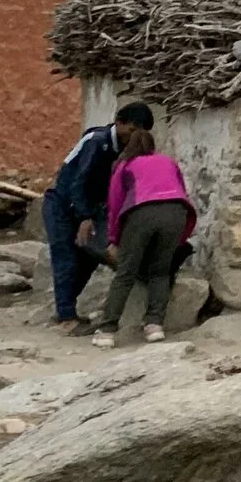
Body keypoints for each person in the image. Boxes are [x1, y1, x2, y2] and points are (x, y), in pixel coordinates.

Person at [43, 101, 153, 333]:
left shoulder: (122, 150)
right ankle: (66, 317)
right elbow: (77, 182)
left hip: (90, 208)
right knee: (66, 255)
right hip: (62, 205)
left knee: (90, 256)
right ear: (119, 122)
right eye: (131, 131)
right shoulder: (97, 142)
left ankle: (66, 307)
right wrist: (84, 217)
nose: (132, 137)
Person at [98, 118, 196, 343]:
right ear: (152, 145)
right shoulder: (168, 162)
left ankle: (107, 330)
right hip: (176, 213)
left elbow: (115, 204)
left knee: (126, 273)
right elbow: (182, 192)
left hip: (142, 212)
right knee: (160, 272)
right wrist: (182, 234)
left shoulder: (124, 166)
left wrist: (114, 239)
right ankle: (154, 326)